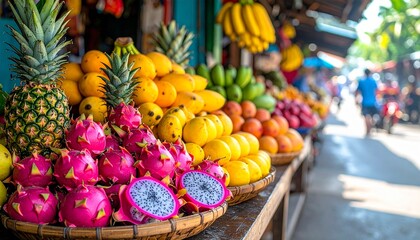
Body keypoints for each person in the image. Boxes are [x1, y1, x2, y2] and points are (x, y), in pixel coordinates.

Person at [356, 69, 379, 136]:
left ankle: (367, 130)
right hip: (373, 102)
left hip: (365, 102)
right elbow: (376, 91)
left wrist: (356, 100)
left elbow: (358, 91)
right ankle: (370, 128)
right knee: (371, 116)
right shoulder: (373, 81)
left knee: (366, 116)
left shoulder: (361, 81)